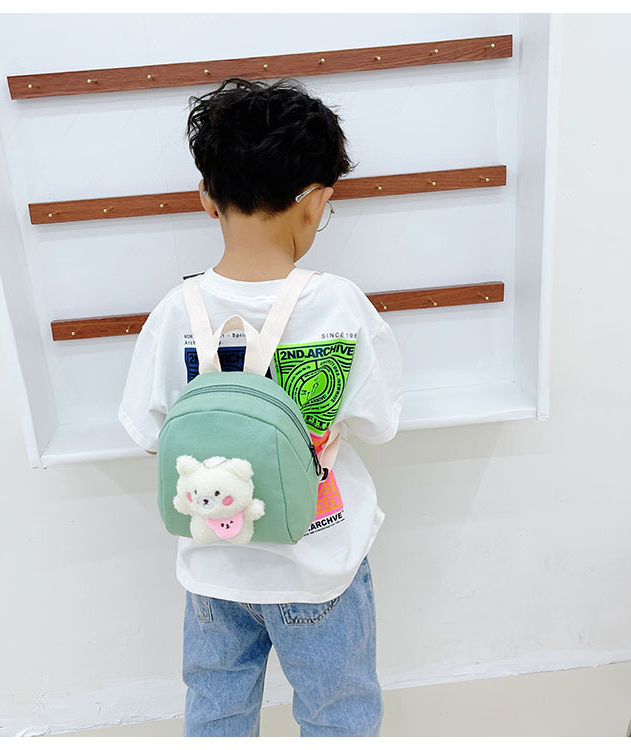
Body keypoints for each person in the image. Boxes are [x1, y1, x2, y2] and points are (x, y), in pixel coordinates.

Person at [118, 77, 403, 737]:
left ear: (206, 197)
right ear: (316, 201)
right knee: (339, 715)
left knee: (217, 715)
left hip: (215, 567)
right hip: (318, 563)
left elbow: (149, 432)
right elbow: (379, 423)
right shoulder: (338, 305)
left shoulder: (175, 311)